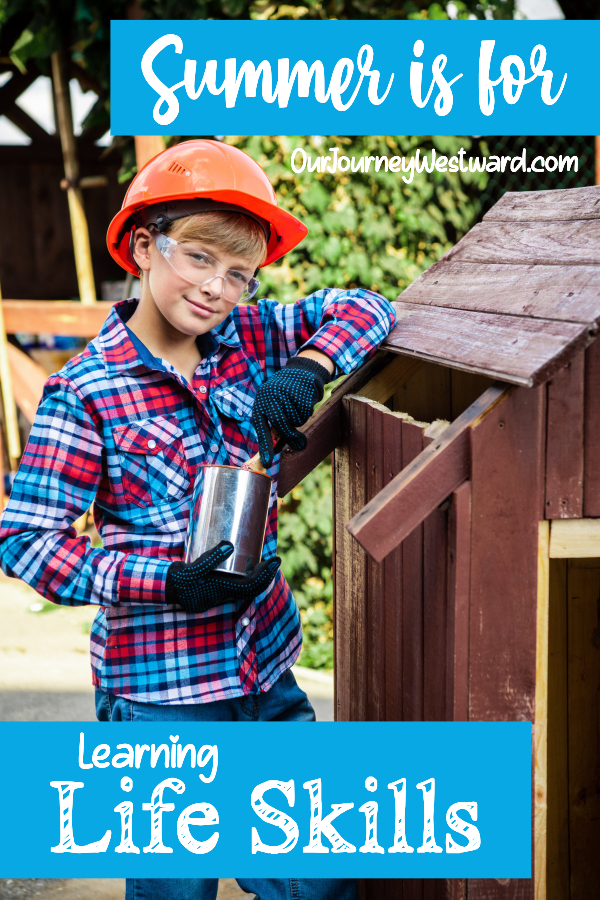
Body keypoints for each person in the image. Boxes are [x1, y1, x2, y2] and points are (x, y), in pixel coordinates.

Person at [0, 140, 396, 900]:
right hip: (161, 699)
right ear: (145, 247)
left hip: (263, 671)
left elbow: (367, 307)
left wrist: (309, 367)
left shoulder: (248, 340)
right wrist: (168, 582)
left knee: (322, 882)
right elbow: (24, 542)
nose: (218, 287)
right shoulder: (87, 393)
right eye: (199, 258)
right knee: (179, 892)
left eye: (240, 273)